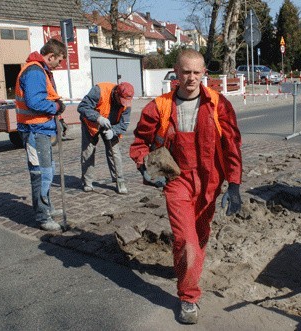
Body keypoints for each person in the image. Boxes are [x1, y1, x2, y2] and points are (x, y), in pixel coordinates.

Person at [129, 49, 242, 324]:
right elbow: (140, 143)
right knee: (185, 239)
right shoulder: (160, 107)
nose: (191, 78)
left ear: (204, 73)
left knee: (201, 233)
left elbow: (231, 146)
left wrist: (235, 184)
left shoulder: (219, 104)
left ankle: (186, 271)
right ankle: (188, 296)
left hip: (209, 181)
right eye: (185, 72)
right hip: (176, 180)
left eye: (196, 72)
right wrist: (146, 166)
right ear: (175, 73)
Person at [15, 39, 67, 232]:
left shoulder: (40, 70)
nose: (59, 65)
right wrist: (56, 107)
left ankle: (47, 207)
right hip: (34, 131)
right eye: (59, 60)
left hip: (41, 129)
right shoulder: (35, 71)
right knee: (41, 174)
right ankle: (42, 216)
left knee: (48, 170)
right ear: (51, 56)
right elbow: (35, 102)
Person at [77, 82, 134, 194]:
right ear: (116, 93)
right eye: (121, 100)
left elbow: (124, 123)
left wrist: (113, 132)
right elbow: (82, 107)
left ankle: (120, 181)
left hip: (111, 126)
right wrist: (98, 118)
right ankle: (87, 182)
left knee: (115, 152)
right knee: (88, 151)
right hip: (91, 123)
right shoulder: (99, 91)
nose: (123, 104)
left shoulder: (127, 103)